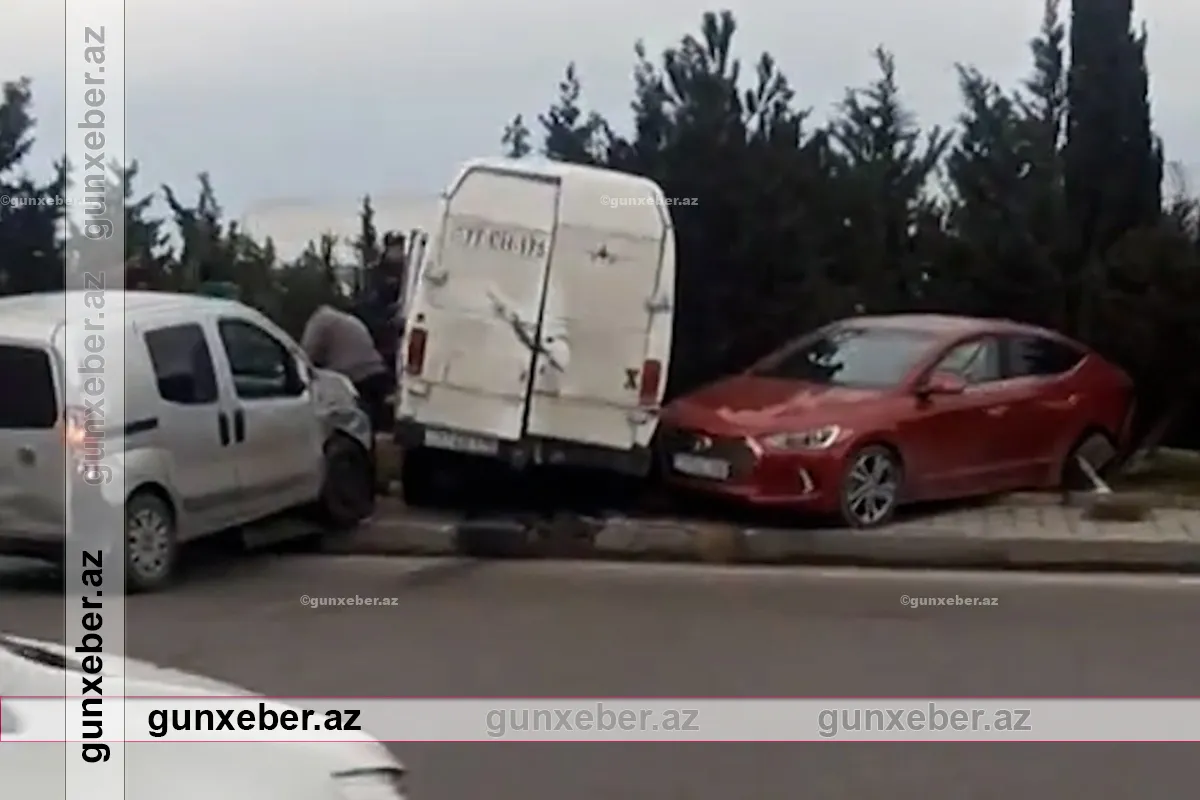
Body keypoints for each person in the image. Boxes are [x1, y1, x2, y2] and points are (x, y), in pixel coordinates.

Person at [300, 302, 391, 432]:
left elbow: (306, 354)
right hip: (376, 372)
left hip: (356, 376)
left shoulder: (319, 320)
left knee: (349, 429)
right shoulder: (347, 319)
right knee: (368, 428)